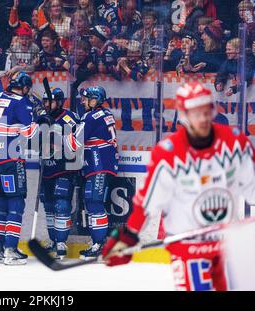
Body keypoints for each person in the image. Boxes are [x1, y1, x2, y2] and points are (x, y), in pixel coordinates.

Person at [102, 82, 255, 291]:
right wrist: (128, 236)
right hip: (188, 249)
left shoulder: (236, 143)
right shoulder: (168, 154)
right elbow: (148, 204)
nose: (202, 119)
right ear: (183, 116)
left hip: (229, 247)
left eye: (205, 111)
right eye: (195, 113)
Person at [0, 71, 39, 265]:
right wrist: (39, 119)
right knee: (15, 203)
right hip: (10, 161)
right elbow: (29, 132)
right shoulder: (21, 102)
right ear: (25, 87)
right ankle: (11, 249)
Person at [69, 86, 118, 259]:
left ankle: (100, 245)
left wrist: (55, 135)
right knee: (93, 203)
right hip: (102, 165)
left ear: (95, 100)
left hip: (99, 166)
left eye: (86, 98)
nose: (83, 101)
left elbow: (73, 144)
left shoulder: (91, 117)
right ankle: (99, 243)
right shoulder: (106, 113)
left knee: (94, 203)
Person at [40, 88, 80, 259]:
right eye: (46, 101)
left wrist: (56, 136)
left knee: (62, 204)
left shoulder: (69, 118)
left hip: (65, 168)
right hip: (47, 168)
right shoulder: (42, 116)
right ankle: (53, 240)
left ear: (60, 102)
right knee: (48, 205)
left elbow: (77, 144)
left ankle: (62, 243)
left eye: (51, 101)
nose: (48, 105)